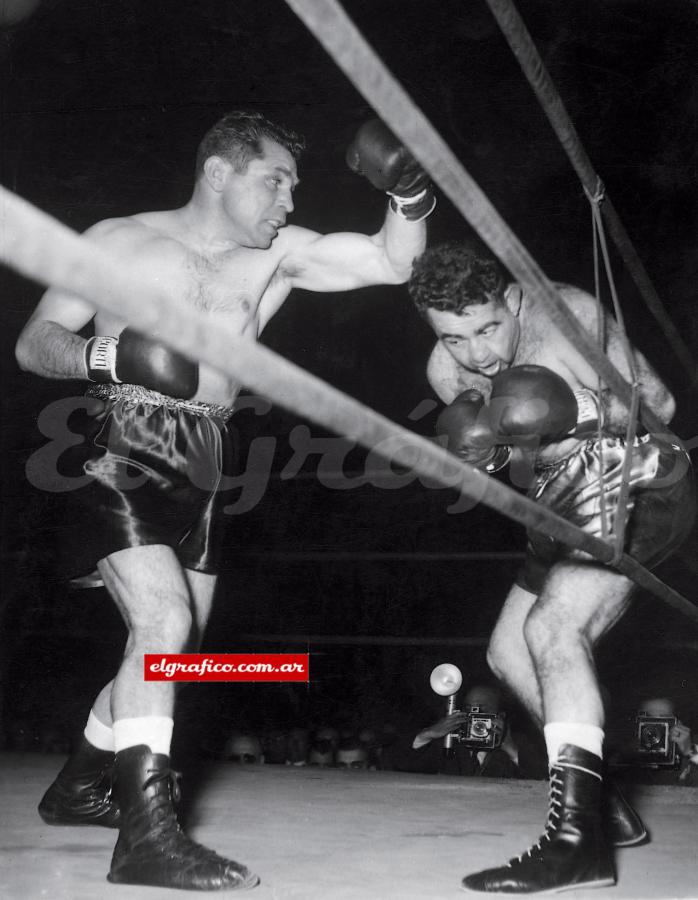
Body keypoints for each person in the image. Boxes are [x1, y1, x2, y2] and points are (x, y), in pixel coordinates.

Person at [15, 111, 433, 891]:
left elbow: (389, 262)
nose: (287, 200)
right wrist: (109, 352)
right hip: (121, 437)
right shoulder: (116, 242)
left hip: (209, 449)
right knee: (163, 621)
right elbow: (36, 342)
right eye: (275, 180)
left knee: (175, 646)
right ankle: (146, 838)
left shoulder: (278, 255)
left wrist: (408, 197)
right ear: (219, 172)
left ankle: (78, 783)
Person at [407, 240, 696, 894]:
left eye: (486, 328)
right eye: (455, 338)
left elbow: (660, 407)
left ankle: (576, 845)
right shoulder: (447, 376)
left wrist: (575, 410)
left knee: (553, 631)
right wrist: (479, 460)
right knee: (509, 652)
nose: (477, 354)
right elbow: (519, 467)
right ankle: (602, 809)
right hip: (562, 502)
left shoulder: (564, 314)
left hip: (640, 482)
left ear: (510, 300)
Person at [411, 684, 547, 779]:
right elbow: (402, 765)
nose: (474, 716)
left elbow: (543, 781)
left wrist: (511, 750)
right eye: (468, 709)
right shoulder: (449, 741)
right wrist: (428, 734)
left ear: (500, 716)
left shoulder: (520, 744)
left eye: (482, 710)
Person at [611, 696, 698, 786]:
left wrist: (690, 751)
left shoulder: (690, 742)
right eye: (649, 719)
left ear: (677, 723)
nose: (655, 728)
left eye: (663, 719)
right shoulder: (628, 751)